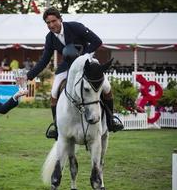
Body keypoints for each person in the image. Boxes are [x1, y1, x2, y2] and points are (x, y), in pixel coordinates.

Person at [26, 7, 123, 140]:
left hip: (86, 61)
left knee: (106, 87)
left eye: (54, 21)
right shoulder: (50, 38)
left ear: (60, 19)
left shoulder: (75, 27)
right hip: (66, 67)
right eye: (48, 23)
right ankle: (57, 126)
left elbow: (97, 41)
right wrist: (28, 76)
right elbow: (44, 61)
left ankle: (111, 121)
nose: (51, 25)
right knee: (54, 92)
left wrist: (82, 56)